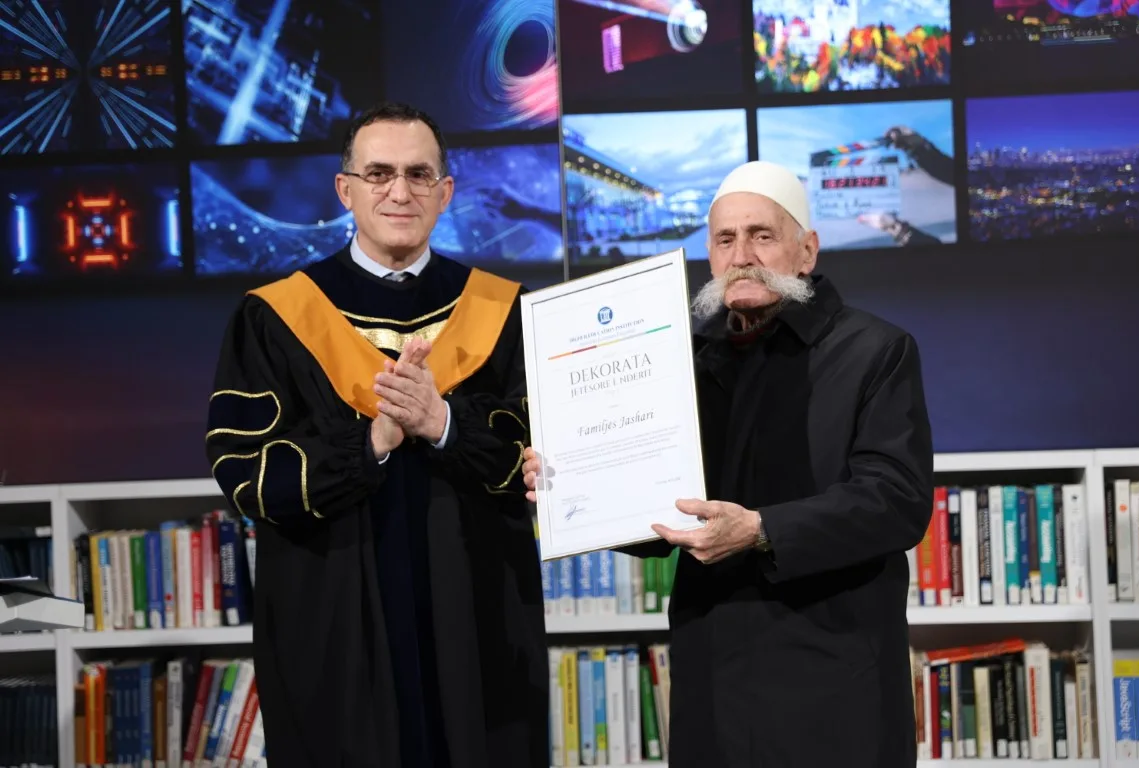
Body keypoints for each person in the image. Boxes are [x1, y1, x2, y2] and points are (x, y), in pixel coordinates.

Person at [523, 160, 935, 767]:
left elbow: (896, 501)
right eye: (724, 239)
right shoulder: (678, 360)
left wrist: (761, 530)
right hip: (711, 675)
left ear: (807, 250)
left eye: (762, 235)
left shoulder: (876, 350)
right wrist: (574, 484)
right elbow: (660, 514)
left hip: (834, 677)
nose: (742, 255)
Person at [205, 101, 547, 768]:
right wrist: (373, 441)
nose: (399, 192)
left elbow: (538, 458)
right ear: (346, 190)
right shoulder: (275, 317)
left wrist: (443, 424)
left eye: (420, 175)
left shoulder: (505, 311)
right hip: (331, 621)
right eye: (379, 173)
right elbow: (247, 476)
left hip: (477, 618)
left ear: (445, 193)